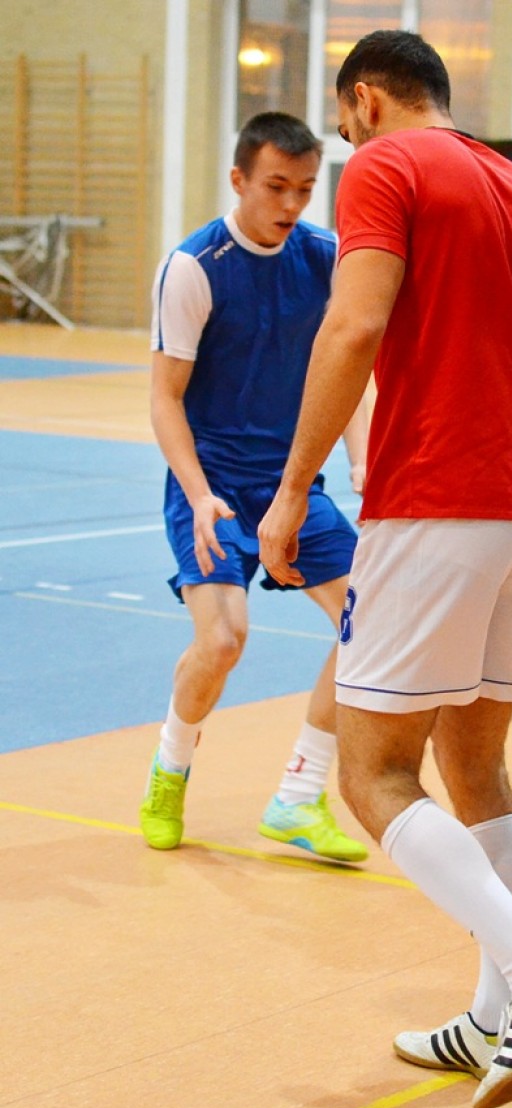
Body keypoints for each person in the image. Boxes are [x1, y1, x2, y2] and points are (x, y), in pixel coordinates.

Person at [258, 31, 512, 1108]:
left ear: (366, 100)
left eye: (344, 124)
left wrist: (293, 487)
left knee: (372, 773)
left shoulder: (388, 167)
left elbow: (354, 323)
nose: (347, 142)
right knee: (477, 768)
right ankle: (496, 1019)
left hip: (432, 502)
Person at [140, 111, 368, 864]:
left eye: (305, 188)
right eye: (276, 187)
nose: (292, 203)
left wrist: (364, 463)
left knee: (371, 623)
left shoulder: (327, 258)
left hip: (293, 484)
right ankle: (170, 769)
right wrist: (197, 493)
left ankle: (298, 796)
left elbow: (349, 374)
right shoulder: (194, 266)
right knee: (223, 639)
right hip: (213, 487)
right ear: (239, 180)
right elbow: (165, 397)